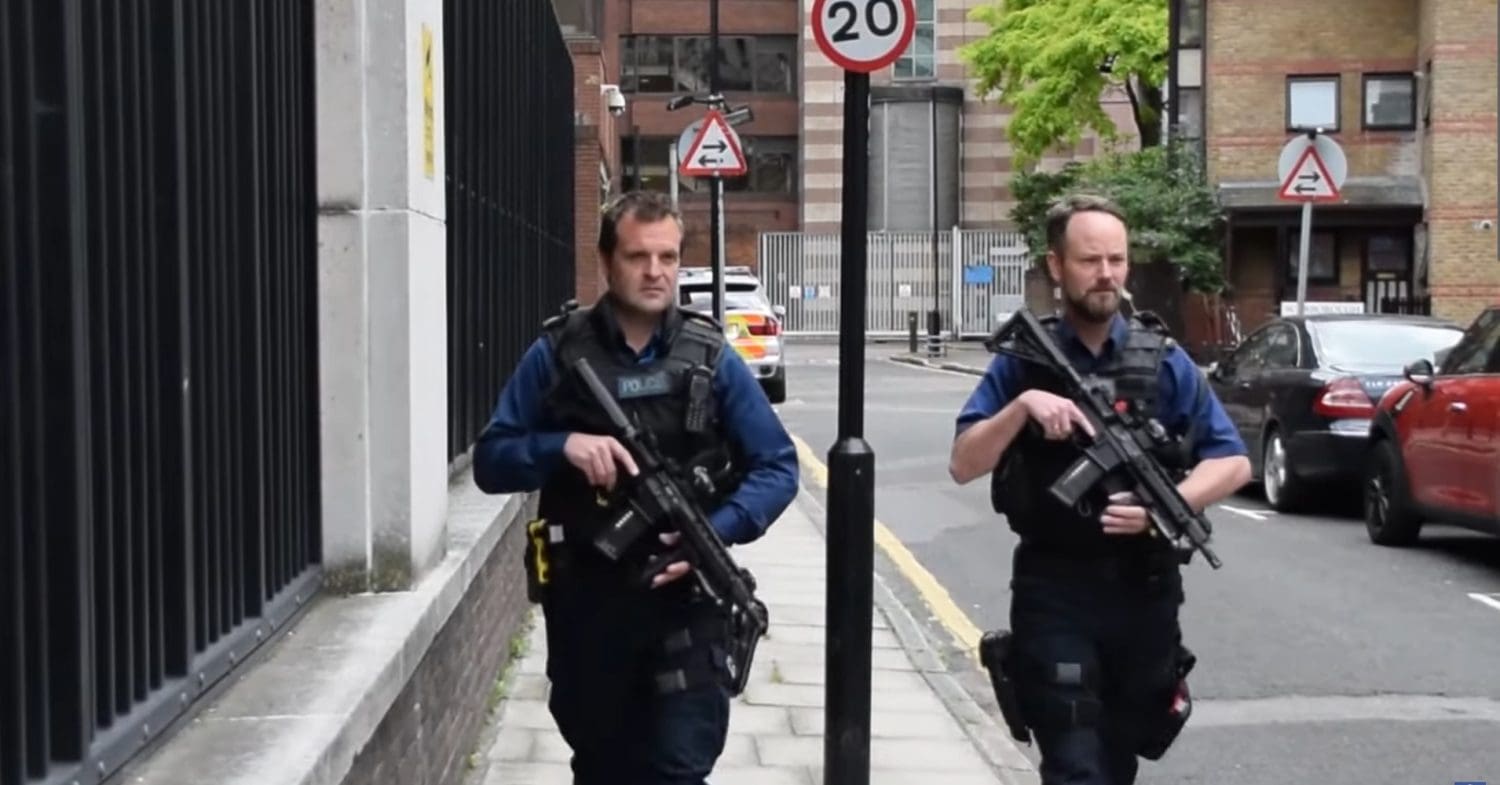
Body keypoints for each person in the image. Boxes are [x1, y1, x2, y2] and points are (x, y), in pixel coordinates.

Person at [471, 190, 799, 785]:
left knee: (679, 768)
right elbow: (492, 462)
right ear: (605, 262)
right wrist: (560, 447)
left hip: (686, 607)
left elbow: (777, 466)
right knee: (603, 767)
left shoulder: (713, 358)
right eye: (638, 256)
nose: (655, 271)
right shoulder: (557, 355)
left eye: (668, 257)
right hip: (590, 607)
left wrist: (713, 535)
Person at [949, 194, 1251, 785]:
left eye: (1117, 259)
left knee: (1119, 756)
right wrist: (1021, 408)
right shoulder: (1024, 360)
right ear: (1057, 267)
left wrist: (1170, 506)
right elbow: (963, 463)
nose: (1107, 273)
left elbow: (1233, 460)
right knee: (1073, 762)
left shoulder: (1163, 361)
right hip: (1056, 587)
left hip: (1144, 592)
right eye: (1090, 260)